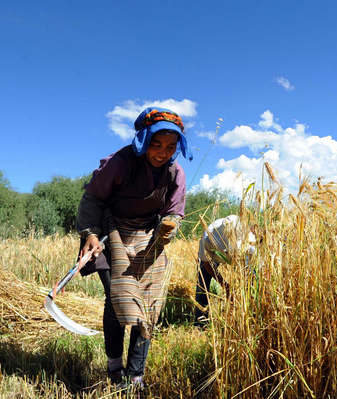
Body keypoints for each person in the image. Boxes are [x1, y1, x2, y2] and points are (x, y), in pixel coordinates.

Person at [76, 107, 192, 389]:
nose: (162, 153)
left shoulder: (175, 173)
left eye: (170, 147)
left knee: (149, 307)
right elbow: (92, 198)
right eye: (156, 144)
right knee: (118, 302)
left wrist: (169, 227)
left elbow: (174, 212)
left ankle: (135, 376)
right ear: (143, 138)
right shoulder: (121, 162)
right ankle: (115, 370)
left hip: (148, 239)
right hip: (110, 232)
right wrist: (90, 233)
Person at [194, 214, 257, 325]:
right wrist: (225, 285)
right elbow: (206, 263)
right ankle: (201, 321)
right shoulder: (208, 237)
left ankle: (253, 315)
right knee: (202, 282)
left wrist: (245, 287)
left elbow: (248, 266)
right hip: (213, 257)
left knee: (253, 281)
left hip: (239, 256)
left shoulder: (247, 235)